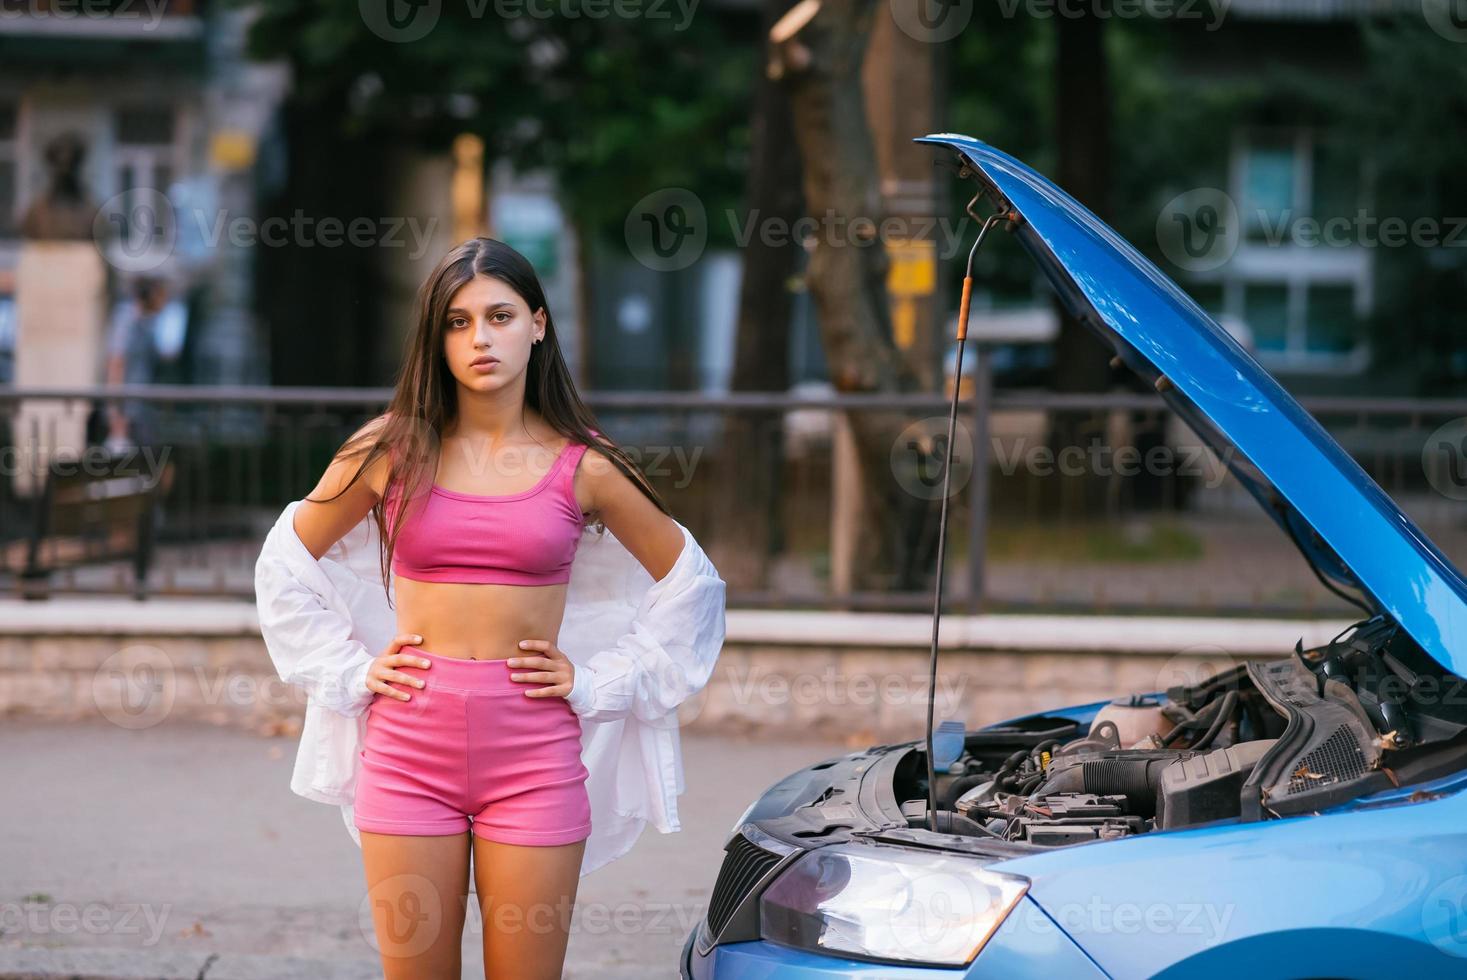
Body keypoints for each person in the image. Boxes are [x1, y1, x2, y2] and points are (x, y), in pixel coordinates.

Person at [272, 238, 717, 980]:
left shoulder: (588, 466)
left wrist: (598, 682)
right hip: (408, 747)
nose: (479, 338)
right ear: (436, 340)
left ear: (537, 325)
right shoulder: (388, 451)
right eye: (456, 322)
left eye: (499, 315)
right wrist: (348, 671)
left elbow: (693, 587)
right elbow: (282, 563)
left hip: (535, 755)